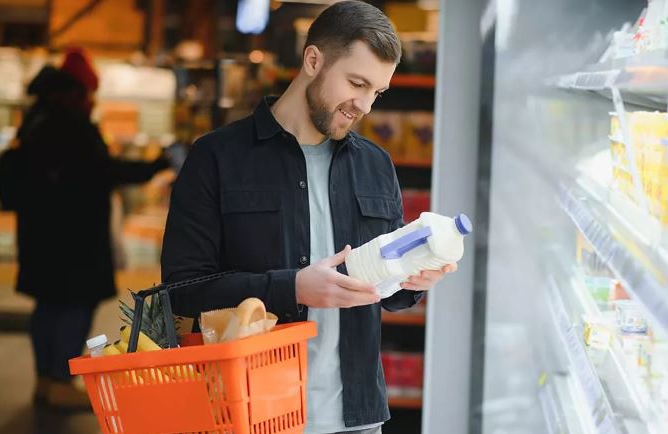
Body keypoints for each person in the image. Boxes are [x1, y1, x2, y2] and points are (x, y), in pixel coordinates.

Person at [160, 2, 455, 433]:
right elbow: (180, 291)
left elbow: (386, 294)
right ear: (313, 60)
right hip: (250, 413)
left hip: (356, 418)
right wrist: (292, 287)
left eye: (377, 92)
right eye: (356, 83)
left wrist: (410, 280)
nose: (365, 106)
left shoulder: (376, 165)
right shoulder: (217, 157)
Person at [0, 47, 170, 409]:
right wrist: (153, 167)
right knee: (74, 305)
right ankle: (60, 380)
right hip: (73, 239)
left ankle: (45, 379)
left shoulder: (37, 120)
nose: (91, 100)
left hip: (43, 234)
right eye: (89, 93)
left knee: (48, 305)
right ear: (75, 91)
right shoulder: (69, 124)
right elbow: (102, 171)